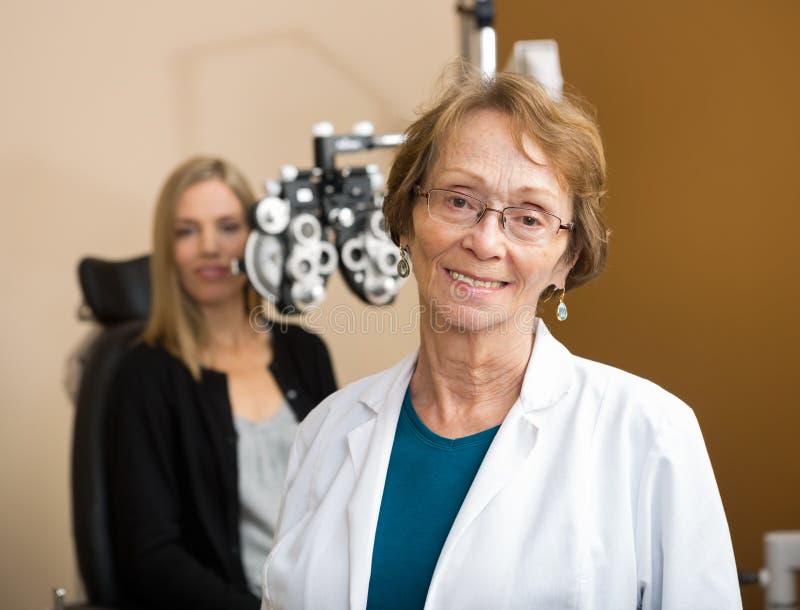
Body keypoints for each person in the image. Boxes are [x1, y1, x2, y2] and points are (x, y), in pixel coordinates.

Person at [261, 68, 742, 610]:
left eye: (529, 218)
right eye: (458, 201)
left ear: (568, 258)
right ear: (405, 222)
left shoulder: (650, 434)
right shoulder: (326, 432)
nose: (486, 241)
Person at [108, 156, 337, 610]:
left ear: (257, 237)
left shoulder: (305, 351)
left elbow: (343, 496)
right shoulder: (144, 375)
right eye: (187, 231)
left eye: (228, 227)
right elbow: (151, 557)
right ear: (168, 248)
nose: (210, 247)